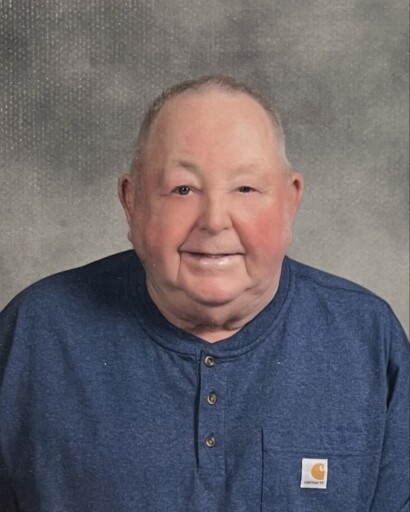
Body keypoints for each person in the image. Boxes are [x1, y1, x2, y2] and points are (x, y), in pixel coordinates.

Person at [0, 75, 408, 512]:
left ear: (290, 202)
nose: (214, 220)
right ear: (132, 202)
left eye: (245, 188)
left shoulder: (367, 336)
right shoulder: (35, 333)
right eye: (183, 189)